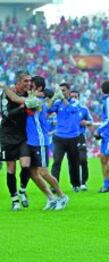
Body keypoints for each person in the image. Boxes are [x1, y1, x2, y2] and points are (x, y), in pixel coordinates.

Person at [1, 76, 70, 210]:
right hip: (30, 142)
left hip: (40, 141)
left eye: (31, 84)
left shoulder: (36, 101)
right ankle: (51, 198)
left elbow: (15, 99)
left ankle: (62, 196)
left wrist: (3, 86)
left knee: (43, 172)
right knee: (32, 173)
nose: (28, 86)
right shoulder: (36, 98)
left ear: (38, 88)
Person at [0, 70, 32, 210]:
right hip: (7, 135)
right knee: (11, 169)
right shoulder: (7, 94)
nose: (29, 84)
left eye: (30, 81)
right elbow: (6, 115)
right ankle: (14, 200)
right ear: (18, 82)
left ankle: (22, 190)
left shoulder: (29, 94)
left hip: (23, 135)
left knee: (26, 165)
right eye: (26, 81)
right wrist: (23, 107)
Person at [48, 83, 81, 192]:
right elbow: (47, 110)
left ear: (69, 91)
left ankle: (75, 184)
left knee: (74, 162)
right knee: (56, 162)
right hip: (59, 137)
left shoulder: (75, 102)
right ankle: (53, 185)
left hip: (73, 137)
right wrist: (53, 98)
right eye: (60, 90)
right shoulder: (58, 103)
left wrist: (63, 99)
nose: (62, 92)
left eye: (64, 90)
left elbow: (72, 110)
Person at [70, 90, 93, 191]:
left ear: (79, 98)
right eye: (72, 97)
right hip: (69, 137)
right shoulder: (67, 109)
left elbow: (91, 122)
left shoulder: (84, 109)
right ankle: (75, 184)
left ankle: (83, 182)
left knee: (83, 159)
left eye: (76, 96)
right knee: (72, 161)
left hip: (80, 136)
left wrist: (86, 122)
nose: (74, 98)